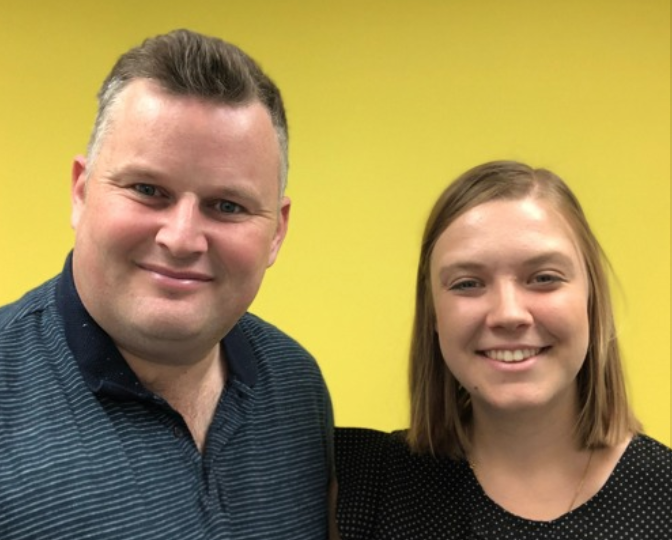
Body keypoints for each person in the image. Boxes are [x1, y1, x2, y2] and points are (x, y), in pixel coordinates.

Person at [0, 29, 333, 539]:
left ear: (276, 231)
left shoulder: (295, 386)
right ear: (81, 191)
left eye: (227, 206)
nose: (182, 239)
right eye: (148, 190)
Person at [334, 161, 671, 539]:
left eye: (544, 278)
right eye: (467, 284)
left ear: (592, 300)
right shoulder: (358, 480)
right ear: (433, 314)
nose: (508, 314)